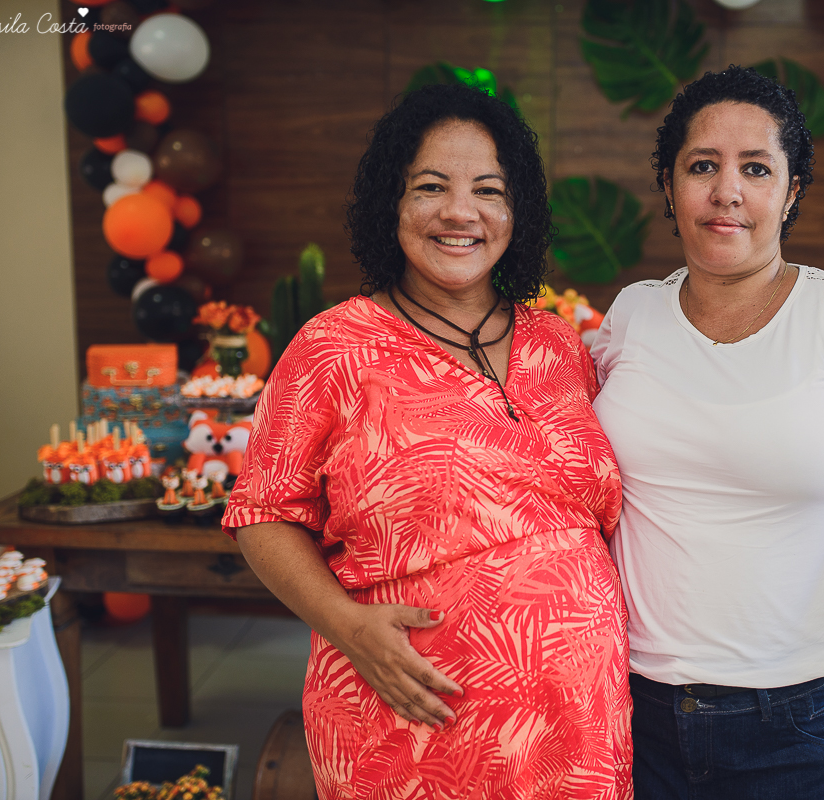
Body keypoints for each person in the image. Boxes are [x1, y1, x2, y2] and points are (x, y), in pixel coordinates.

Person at [223, 84, 631, 799]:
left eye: (488, 190)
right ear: (393, 203)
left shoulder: (558, 343)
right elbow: (262, 512)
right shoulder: (333, 347)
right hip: (410, 726)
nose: (459, 212)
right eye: (431, 187)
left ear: (517, 211)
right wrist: (346, 626)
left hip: (578, 727)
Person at [590, 66, 824, 800]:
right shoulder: (630, 316)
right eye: (702, 167)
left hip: (802, 714)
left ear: (790, 193)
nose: (727, 191)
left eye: (756, 168)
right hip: (632, 705)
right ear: (669, 186)